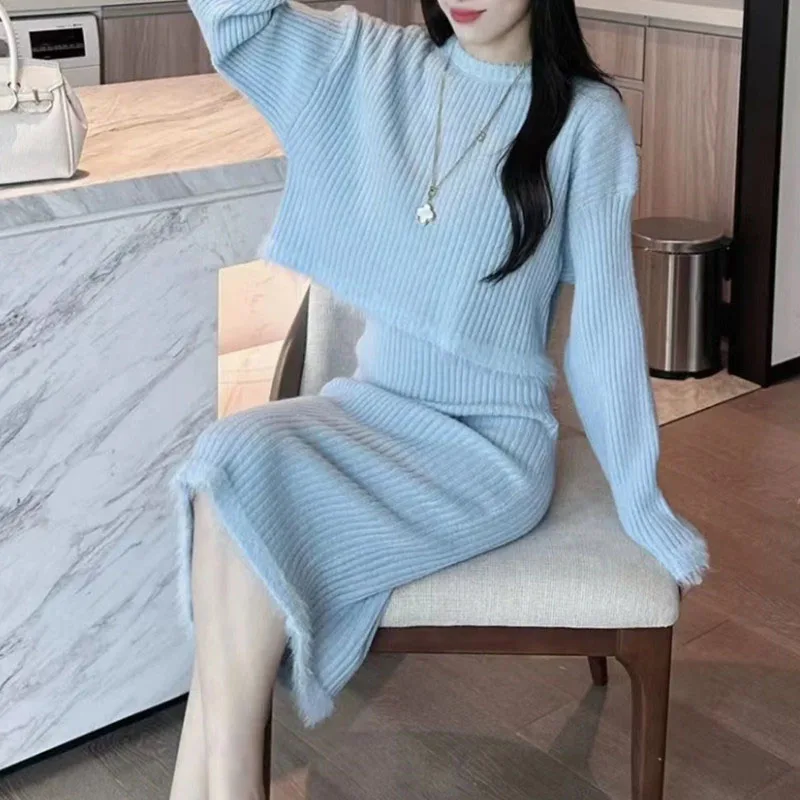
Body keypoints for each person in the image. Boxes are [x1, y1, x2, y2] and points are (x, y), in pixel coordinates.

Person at [170, 1, 710, 797]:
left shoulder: (584, 119)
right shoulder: (378, 65)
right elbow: (236, 21)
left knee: (237, 503)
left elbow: (602, 334)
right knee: (227, 459)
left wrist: (642, 500)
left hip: (488, 451)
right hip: (370, 410)